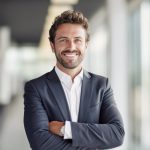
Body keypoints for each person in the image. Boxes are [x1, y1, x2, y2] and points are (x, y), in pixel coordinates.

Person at [24, 10, 125, 150]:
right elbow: (41, 144)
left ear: (86, 44)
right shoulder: (36, 88)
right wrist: (93, 140)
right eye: (63, 40)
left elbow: (117, 134)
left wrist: (66, 129)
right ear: (53, 45)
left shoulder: (101, 86)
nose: (71, 47)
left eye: (77, 40)